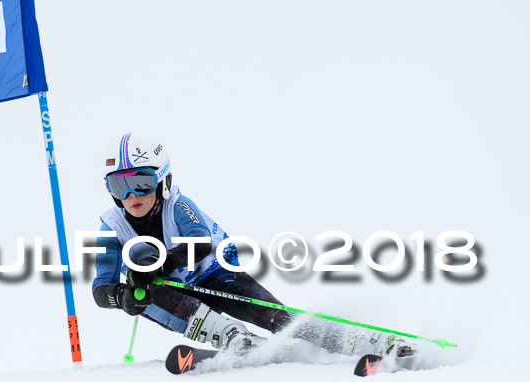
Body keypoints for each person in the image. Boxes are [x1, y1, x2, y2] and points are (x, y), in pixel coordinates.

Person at [92, 132, 416, 357]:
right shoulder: (112, 227)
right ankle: (232, 335)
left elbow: (200, 244)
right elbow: (100, 290)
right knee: (144, 294)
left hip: (216, 275)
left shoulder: (179, 205)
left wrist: (160, 263)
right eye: (119, 185)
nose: (131, 195)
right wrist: (121, 297)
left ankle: (364, 341)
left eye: (141, 182)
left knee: (278, 319)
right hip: (176, 295)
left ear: (163, 180)